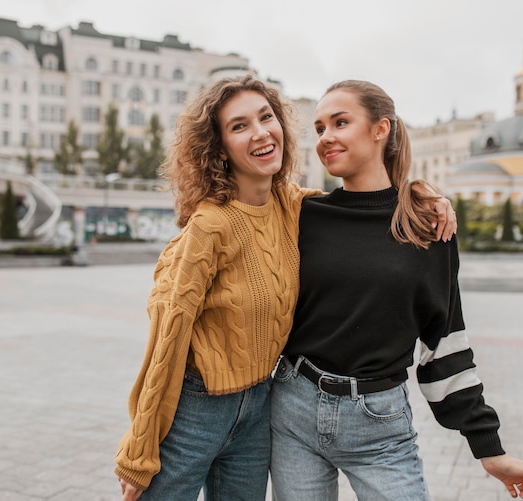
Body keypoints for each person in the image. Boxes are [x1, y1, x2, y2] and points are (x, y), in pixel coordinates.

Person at [114, 75, 456, 501]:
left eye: (265, 117)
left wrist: (422, 194)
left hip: (260, 409)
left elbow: (365, 203)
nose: (260, 132)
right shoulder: (209, 227)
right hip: (195, 411)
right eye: (239, 126)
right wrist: (139, 450)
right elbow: (165, 343)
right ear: (218, 149)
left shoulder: (293, 206)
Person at [270, 80, 523, 501]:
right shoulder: (304, 215)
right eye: (320, 128)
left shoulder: (426, 226)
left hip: (378, 423)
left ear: (381, 128)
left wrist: (488, 448)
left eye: (340, 122)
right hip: (293, 408)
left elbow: (445, 340)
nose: (326, 137)